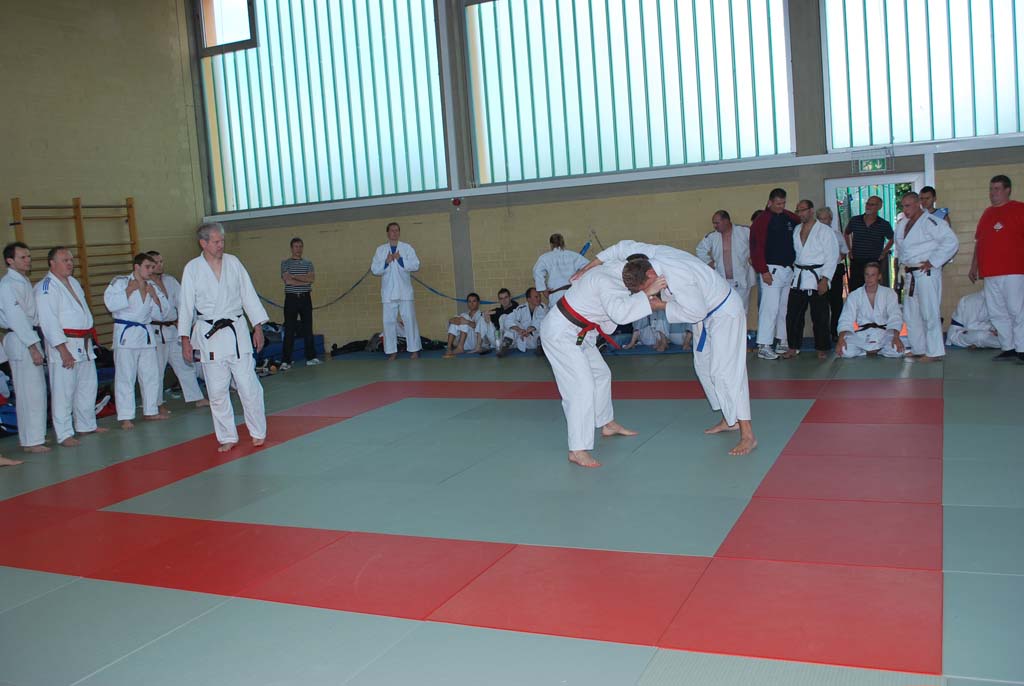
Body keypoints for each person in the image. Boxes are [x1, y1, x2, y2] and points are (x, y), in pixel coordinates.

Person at [588, 240, 756, 456]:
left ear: (650, 274)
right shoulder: (652, 254)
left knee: (726, 371)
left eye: (647, 289)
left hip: (723, 312)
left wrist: (661, 305)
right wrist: (588, 267)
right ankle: (729, 419)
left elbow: (695, 311)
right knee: (704, 367)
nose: (649, 294)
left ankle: (748, 434)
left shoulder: (677, 275)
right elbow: (622, 247)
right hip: (705, 315)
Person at [541, 258, 667, 467]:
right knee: (581, 387)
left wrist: (641, 294)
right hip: (561, 333)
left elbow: (609, 323)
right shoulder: (607, 281)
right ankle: (577, 449)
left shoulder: (621, 272)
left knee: (601, 374)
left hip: (581, 334)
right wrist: (645, 295)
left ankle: (607, 423)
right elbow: (620, 315)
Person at [179, 223, 269, 452]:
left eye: (222, 241)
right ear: (203, 243)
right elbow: (186, 305)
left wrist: (258, 327)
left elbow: (248, 295)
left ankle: (258, 431)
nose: (221, 245)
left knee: (248, 385)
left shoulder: (234, 262)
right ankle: (227, 436)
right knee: (217, 391)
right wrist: (185, 339)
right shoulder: (192, 268)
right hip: (210, 335)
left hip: (236, 331)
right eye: (216, 242)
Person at [35, 247, 108, 447]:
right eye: (64, 260)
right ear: (52, 263)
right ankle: (64, 433)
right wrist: (62, 350)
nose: (69, 263)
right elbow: (48, 322)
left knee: (87, 386)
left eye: (70, 260)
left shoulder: (73, 282)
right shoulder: (46, 287)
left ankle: (86, 425)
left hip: (83, 342)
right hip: (64, 343)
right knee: (63, 391)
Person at [103, 253, 167, 430]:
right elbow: (110, 304)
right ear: (136, 267)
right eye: (147, 267)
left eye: (152, 267)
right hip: (126, 337)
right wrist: (128, 290)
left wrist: (155, 297)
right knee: (125, 377)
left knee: (151, 375)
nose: (151, 270)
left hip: (145, 336)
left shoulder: (151, 286)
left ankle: (150, 410)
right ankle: (125, 416)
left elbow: (163, 314)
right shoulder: (121, 282)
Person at [894, 192, 959, 361]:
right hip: (910, 273)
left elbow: (951, 241)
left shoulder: (931, 221)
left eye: (908, 206)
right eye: (903, 206)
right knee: (911, 314)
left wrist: (933, 261)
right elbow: (901, 249)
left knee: (929, 312)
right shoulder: (903, 224)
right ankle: (919, 348)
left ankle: (934, 352)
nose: (905, 209)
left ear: (918, 204)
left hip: (926, 272)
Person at [969, 175, 1024, 362]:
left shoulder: (1019, 209)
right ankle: (1008, 347)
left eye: (997, 189)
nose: (993, 193)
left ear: (1007, 190)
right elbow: (979, 242)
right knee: (996, 312)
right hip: (990, 272)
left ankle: (1022, 348)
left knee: (1016, 310)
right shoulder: (987, 213)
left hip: (1014, 270)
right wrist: (974, 266)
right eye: (991, 189)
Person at [0, 242, 47, 457]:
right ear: (10, 261)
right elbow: (16, 318)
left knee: (33, 391)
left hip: (26, 336)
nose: (28, 260)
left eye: (28, 256)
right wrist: (32, 346)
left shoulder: (22, 281)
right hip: (21, 339)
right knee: (30, 392)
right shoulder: (8, 284)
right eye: (22, 257)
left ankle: (31, 438)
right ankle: (32, 440)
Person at [146, 250, 208, 409]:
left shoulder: (170, 281)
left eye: (161, 261)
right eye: (156, 263)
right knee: (156, 371)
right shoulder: (145, 284)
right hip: (155, 332)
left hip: (174, 331)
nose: (160, 265)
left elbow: (184, 303)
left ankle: (197, 397)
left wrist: (187, 322)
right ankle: (156, 405)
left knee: (185, 365)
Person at [784, 200, 839, 359]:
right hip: (799, 276)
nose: (800, 213)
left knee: (820, 316)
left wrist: (825, 279)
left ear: (811, 210)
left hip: (818, 276)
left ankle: (822, 348)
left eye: (803, 210)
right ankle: (793, 347)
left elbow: (832, 256)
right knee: (793, 315)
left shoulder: (824, 231)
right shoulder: (796, 229)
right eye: (798, 210)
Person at [750, 188, 800, 359]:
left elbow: (801, 222)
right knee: (769, 308)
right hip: (771, 269)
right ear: (770, 202)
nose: (781, 206)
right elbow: (756, 247)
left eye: (783, 203)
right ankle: (764, 345)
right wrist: (763, 270)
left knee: (784, 307)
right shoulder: (762, 220)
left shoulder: (789, 217)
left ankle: (782, 341)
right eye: (778, 203)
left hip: (788, 269)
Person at [371, 222, 421, 360]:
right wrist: (386, 262)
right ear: (387, 233)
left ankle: (414, 350)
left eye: (397, 230)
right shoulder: (380, 250)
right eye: (392, 230)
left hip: (404, 291)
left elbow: (416, 265)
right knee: (388, 323)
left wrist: (400, 260)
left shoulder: (407, 248)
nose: (395, 232)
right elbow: (375, 269)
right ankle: (392, 351)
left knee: (409, 321)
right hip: (388, 293)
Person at [835, 262, 905, 358]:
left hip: (883, 333)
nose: (869, 278)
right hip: (862, 334)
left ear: (879, 276)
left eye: (873, 275)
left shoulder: (889, 293)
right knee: (844, 351)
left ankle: (871, 350)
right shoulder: (854, 295)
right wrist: (840, 340)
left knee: (898, 351)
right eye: (867, 274)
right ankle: (872, 350)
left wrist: (896, 337)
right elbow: (846, 318)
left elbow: (895, 316)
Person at [696, 210, 757, 313]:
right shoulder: (712, 236)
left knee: (741, 310)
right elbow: (700, 249)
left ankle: (742, 324)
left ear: (726, 221)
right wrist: (709, 262)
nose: (715, 226)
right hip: (722, 280)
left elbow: (758, 244)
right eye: (714, 223)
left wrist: (754, 257)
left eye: (717, 223)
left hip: (742, 278)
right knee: (724, 310)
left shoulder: (744, 231)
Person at [280, 237, 319, 370]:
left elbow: (311, 279)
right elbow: (288, 281)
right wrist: (303, 279)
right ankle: (286, 361)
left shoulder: (308, 263)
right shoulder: (285, 263)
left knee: (308, 328)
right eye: (296, 246)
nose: (298, 249)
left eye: (300, 246)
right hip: (291, 299)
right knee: (289, 329)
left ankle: (311, 358)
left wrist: (294, 276)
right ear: (291, 248)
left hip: (305, 298)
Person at [845, 195, 894, 290]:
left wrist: (884, 252)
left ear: (879, 207)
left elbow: (892, 239)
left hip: (874, 261)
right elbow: (846, 233)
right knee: (855, 288)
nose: (868, 206)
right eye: (867, 204)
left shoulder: (883, 224)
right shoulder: (855, 220)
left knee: (873, 288)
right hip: (857, 260)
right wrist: (849, 250)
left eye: (872, 204)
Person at [818, 206, 849, 341]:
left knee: (836, 303)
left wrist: (834, 261)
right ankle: (823, 334)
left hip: (835, 271)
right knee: (821, 304)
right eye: (820, 219)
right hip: (819, 272)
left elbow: (844, 251)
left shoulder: (837, 235)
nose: (823, 221)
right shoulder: (814, 236)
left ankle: (835, 332)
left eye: (825, 218)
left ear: (830, 219)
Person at [533, 233, 589, 305]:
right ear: (563, 243)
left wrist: (543, 289)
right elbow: (589, 267)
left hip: (556, 295)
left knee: (557, 312)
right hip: (572, 293)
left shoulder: (545, 257)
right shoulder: (573, 255)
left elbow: (537, 271)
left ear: (551, 244)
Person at [500, 287, 546, 356]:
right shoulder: (521, 308)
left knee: (543, 326)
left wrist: (531, 328)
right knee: (504, 317)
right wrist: (519, 330)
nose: (539, 298)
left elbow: (542, 320)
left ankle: (540, 346)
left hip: (535, 338)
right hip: (524, 337)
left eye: (539, 296)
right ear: (528, 299)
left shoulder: (543, 307)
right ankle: (505, 345)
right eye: (536, 297)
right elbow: (509, 319)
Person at [444, 292, 491, 357]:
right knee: (458, 319)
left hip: (477, 343)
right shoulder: (464, 314)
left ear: (478, 303)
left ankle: (460, 347)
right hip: (465, 344)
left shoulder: (482, 315)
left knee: (463, 318)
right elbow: (452, 324)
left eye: (474, 301)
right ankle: (449, 348)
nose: (471, 303)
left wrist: (466, 321)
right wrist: (451, 320)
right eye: (469, 301)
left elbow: (480, 328)